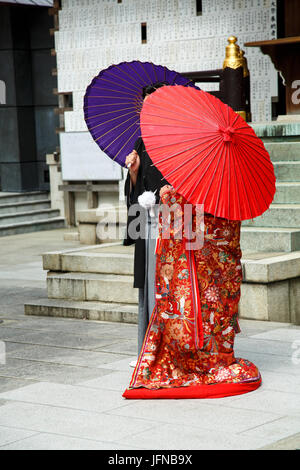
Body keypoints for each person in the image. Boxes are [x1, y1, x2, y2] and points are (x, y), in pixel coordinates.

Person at [123, 186, 262, 399]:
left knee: (209, 307)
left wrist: (169, 195)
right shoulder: (231, 188)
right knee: (218, 307)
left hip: (201, 261)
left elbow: (177, 217)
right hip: (219, 263)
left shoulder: (186, 186)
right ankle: (218, 360)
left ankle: (192, 359)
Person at [124, 82, 171, 363]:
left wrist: (165, 196)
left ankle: (166, 351)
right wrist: (133, 173)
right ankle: (146, 350)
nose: (147, 109)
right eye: (145, 105)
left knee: (165, 287)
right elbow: (135, 187)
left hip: (173, 224)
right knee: (148, 287)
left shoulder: (176, 139)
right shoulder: (141, 141)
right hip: (147, 223)